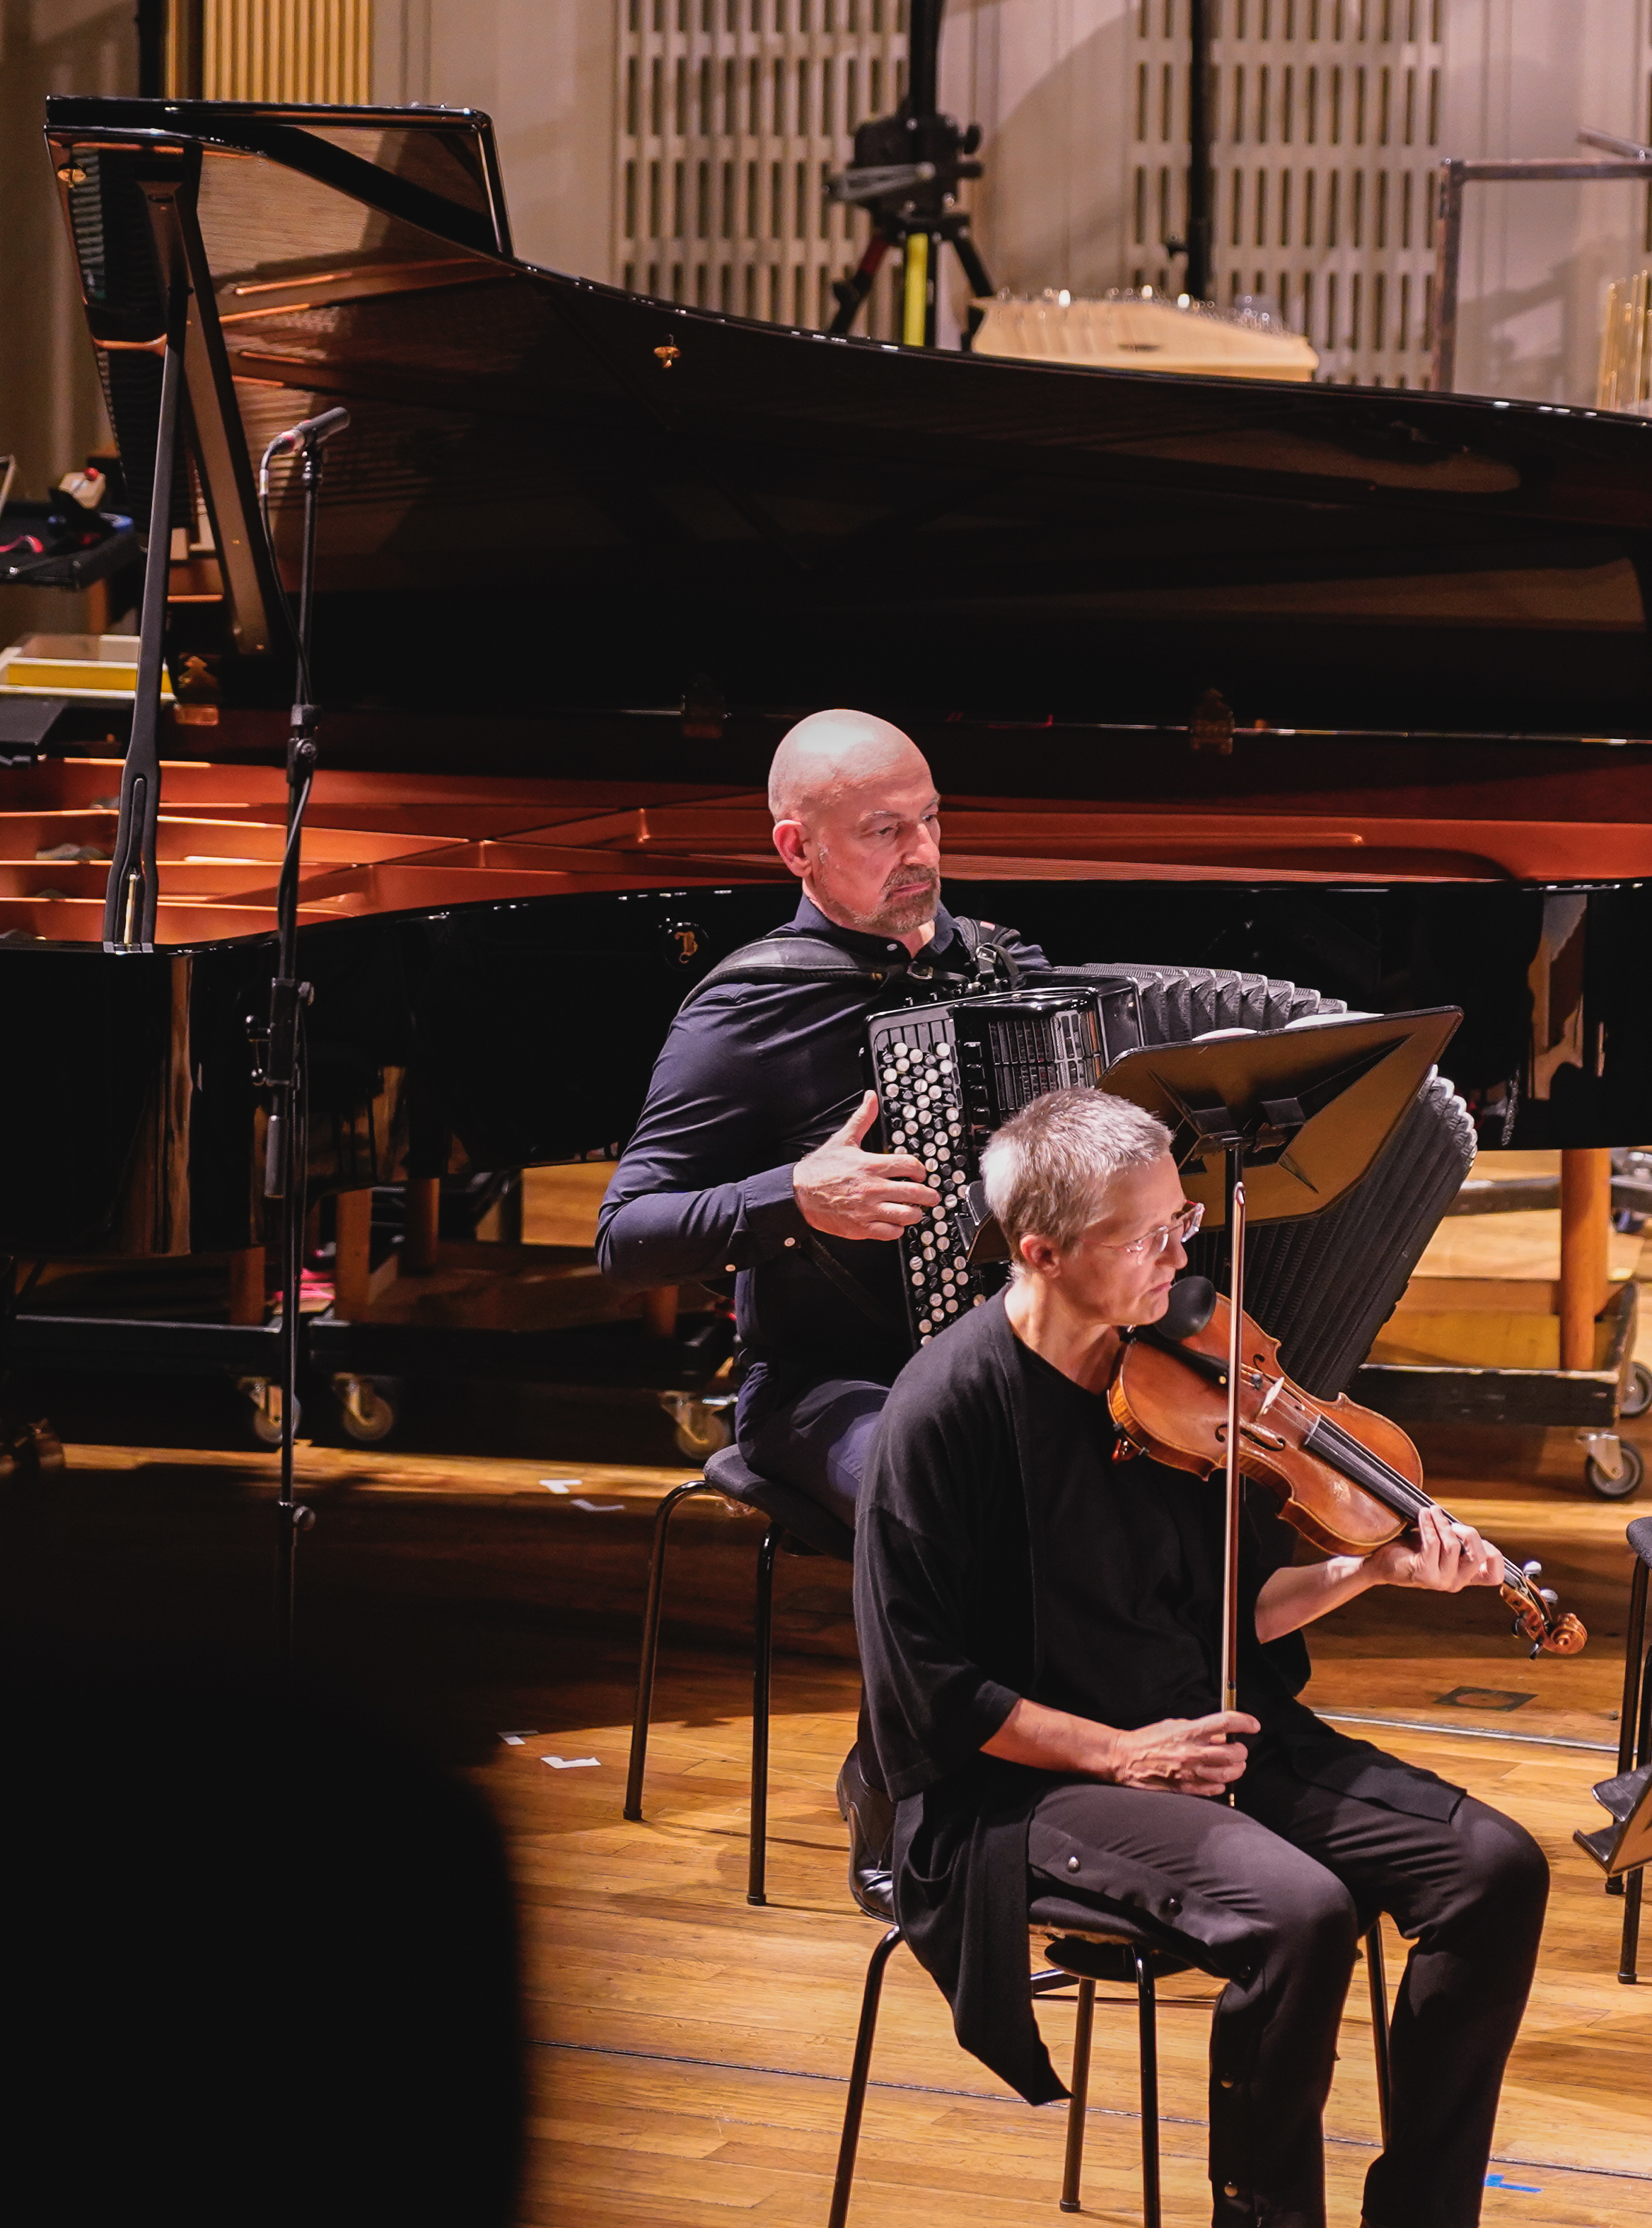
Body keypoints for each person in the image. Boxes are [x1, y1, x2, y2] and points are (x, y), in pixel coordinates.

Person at [853, 1087, 1548, 2228]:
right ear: (1043, 1251)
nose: (1184, 1256)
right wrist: (1126, 1755)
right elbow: (925, 1692)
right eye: (1151, 1236)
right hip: (1028, 1783)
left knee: (1491, 1867)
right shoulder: (946, 1410)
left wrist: (1366, 1570)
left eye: (1184, 1223)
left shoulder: (1177, 1381)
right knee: (1301, 1912)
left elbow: (1235, 1619)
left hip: (1201, 1733)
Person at [596, 707, 1048, 1891]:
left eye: (933, 819)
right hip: (823, 1388)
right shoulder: (747, 1008)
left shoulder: (1007, 972)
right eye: (884, 829)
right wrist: (791, 1196)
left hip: (1009, 1365)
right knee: (947, 1484)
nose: (924, 852)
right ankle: (899, 1782)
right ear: (797, 850)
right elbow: (623, 1235)